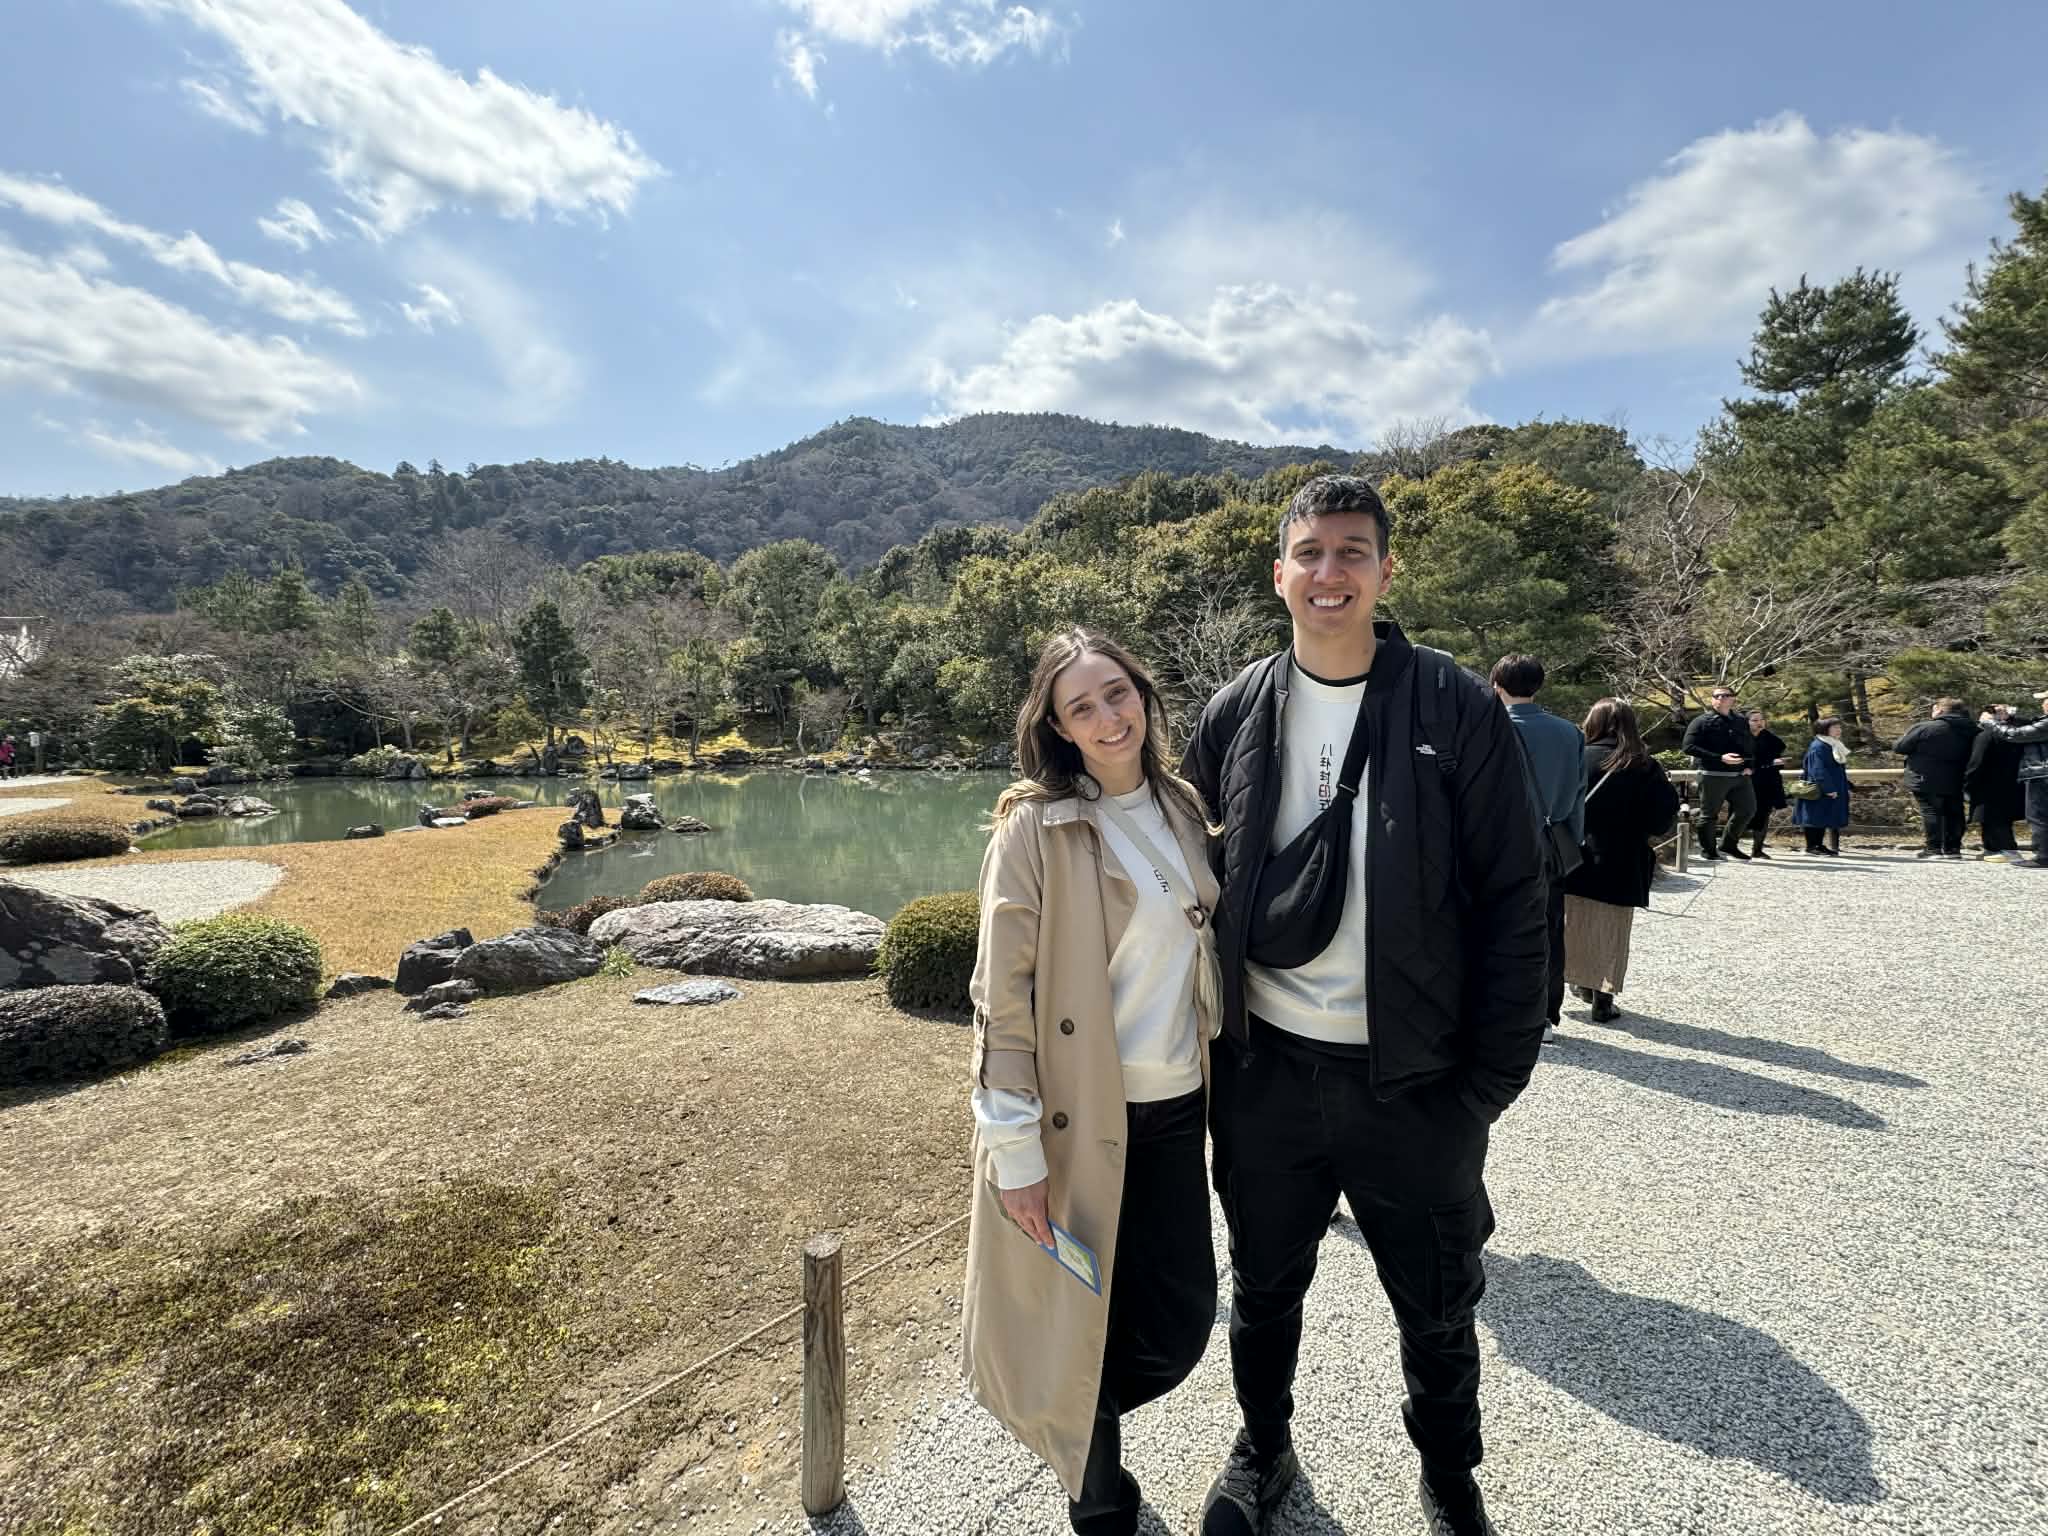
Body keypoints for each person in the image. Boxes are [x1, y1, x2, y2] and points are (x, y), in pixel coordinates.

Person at [1182, 474, 1546, 1536]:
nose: (1328, 572)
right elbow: (1179, 871)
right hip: (1266, 1069)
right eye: (1310, 553)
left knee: (1438, 1302)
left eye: (1351, 552)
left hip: (1416, 1081)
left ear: (1386, 571)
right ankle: (1264, 1447)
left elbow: (1517, 896)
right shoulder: (1238, 707)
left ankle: (1449, 1474)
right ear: (1279, 573)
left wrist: (1487, 1082)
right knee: (1262, 1285)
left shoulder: (1454, 705)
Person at [963, 627, 1222, 1535]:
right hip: (1077, 1122)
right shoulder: (1034, 828)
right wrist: (1013, 1151)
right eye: (1082, 706)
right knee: (1083, 1322)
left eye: (1118, 693)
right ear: (1059, 728)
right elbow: (1001, 999)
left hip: (1177, 1104)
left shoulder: (1182, 805)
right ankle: (1098, 1498)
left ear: (1143, 694)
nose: (1108, 717)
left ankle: (1075, 1420)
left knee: (1181, 1321)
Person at [1563, 700, 1678, 1023]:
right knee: (1612, 929)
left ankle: (1579, 981)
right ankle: (1603, 997)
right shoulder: (1644, 765)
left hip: (1577, 855)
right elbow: (1660, 820)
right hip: (1623, 858)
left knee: (1574, 923)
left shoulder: (1577, 757)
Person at [1491, 655, 1586, 1044]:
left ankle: (1500, 1010)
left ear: (1496, 685)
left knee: (1496, 928)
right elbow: (1577, 796)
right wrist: (1574, 840)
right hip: (1550, 842)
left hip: (1498, 844)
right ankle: (1544, 1013)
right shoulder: (1569, 732)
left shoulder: (1488, 728)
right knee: (1548, 928)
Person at [1892, 698, 1979, 859]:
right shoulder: (1973, 729)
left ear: (1939, 710)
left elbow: (1900, 747)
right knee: (1955, 812)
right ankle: (1953, 849)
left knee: (1931, 811)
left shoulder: (1926, 727)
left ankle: (1933, 849)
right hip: (1958, 777)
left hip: (1926, 776)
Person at [1681, 687, 1755, 860]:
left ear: (1733, 699)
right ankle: (1709, 850)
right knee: (1709, 815)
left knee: (1747, 810)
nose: (1721, 698)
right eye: (1717, 696)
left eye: (1725, 695)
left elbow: (1749, 743)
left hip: (1740, 775)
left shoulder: (1741, 720)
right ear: (1712, 700)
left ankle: (1728, 845)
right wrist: (1720, 758)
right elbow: (1688, 747)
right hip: (1712, 775)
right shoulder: (1701, 721)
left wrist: (1750, 765)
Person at [1978, 691, 2048, 868]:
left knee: (2038, 816)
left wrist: (1990, 722)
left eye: (2045, 700)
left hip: (2041, 774)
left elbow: (2016, 735)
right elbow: (2030, 728)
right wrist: (2009, 718)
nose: (2042, 704)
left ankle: (2043, 856)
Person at [1966, 706, 2026, 861]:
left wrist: (1967, 783)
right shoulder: (2018, 734)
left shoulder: (1986, 735)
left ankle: (2007, 850)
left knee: (1994, 819)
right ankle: (1992, 849)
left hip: (1988, 783)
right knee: (1999, 819)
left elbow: (1976, 762)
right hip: (2013, 782)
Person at [1793, 719, 1852, 855]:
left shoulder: (1832, 744)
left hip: (1830, 786)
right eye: (1835, 727)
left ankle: (1818, 845)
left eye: (1839, 727)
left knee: (1822, 816)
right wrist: (1829, 789)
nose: (1839, 730)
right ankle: (1812, 846)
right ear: (1825, 729)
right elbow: (1817, 770)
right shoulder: (1818, 746)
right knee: (1814, 816)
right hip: (1818, 788)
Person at [1745, 710, 1789, 858]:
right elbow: (1744, 760)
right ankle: (1730, 846)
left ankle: (1757, 849)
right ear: (1747, 722)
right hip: (1747, 781)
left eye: (1761, 720)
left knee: (1764, 814)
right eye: (1755, 720)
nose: (1759, 723)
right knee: (1742, 814)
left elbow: (1777, 756)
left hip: (1768, 781)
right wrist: (1769, 762)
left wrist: (1777, 762)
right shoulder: (1741, 739)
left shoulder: (1771, 739)